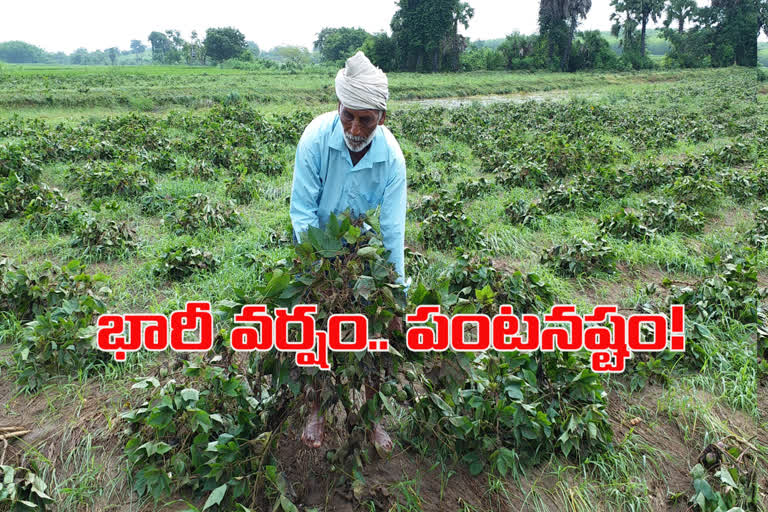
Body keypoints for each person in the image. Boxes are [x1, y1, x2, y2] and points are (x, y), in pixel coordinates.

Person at [289, 51, 407, 453]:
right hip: (315, 241)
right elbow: (303, 211)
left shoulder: (391, 157)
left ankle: (372, 420)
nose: (355, 129)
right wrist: (316, 266)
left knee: (375, 334)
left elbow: (392, 228)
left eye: (366, 120)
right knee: (315, 330)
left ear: (381, 119)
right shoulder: (315, 139)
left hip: (361, 245)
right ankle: (316, 412)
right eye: (348, 117)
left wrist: (397, 294)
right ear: (337, 107)